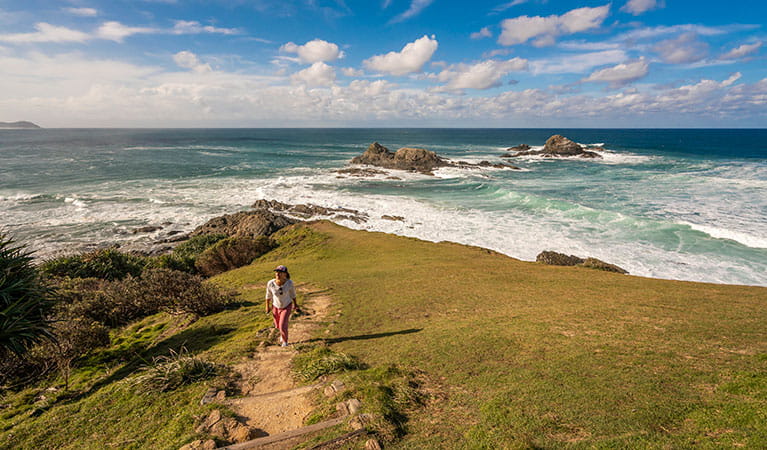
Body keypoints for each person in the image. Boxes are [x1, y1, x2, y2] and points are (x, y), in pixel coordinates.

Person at [265, 265, 299, 347]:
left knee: (282, 324)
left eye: (280, 272)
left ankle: (285, 341)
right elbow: (268, 295)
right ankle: (281, 334)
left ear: (285, 274)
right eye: (276, 272)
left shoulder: (289, 283)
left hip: (286, 306)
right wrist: (267, 306)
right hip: (275, 306)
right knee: (277, 325)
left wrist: (296, 305)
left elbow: (293, 294)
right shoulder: (271, 283)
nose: (277, 274)